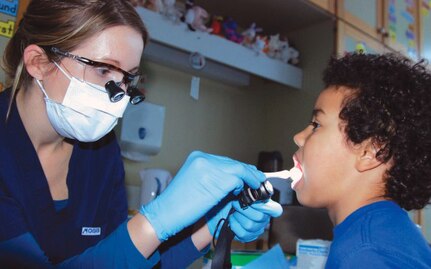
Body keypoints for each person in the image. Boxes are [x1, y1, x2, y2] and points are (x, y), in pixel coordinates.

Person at [0, 0, 282, 268]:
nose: (117, 96)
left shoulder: (99, 149)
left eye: (127, 78)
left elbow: (124, 258)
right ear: (39, 62)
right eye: (103, 70)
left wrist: (210, 225)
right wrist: (156, 220)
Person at [292, 52, 431, 268]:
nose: (299, 137)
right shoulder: (383, 231)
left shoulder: (365, 254)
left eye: (316, 125)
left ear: (371, 152)